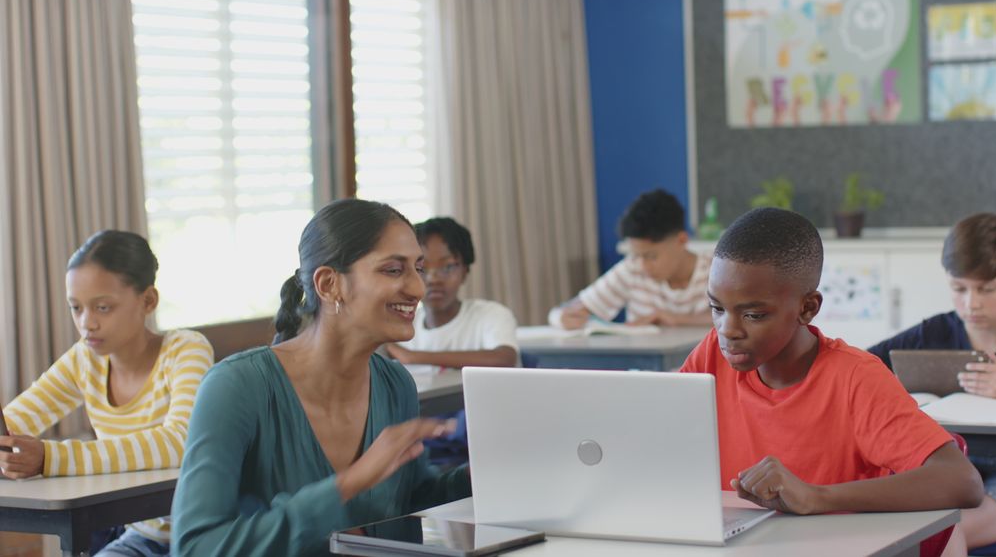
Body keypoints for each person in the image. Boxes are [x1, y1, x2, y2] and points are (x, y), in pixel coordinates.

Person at [170, 199, 470, 556]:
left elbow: (408, 499)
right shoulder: (236, 387)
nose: (418, 288)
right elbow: (194, 548)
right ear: (329, 285)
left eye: (417, 268)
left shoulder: (394, 383)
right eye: (393, 270)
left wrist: (479, 473)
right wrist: (347, 484)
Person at [680, 208, 982, 524]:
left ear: (807, 308)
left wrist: (817, 497)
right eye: (717, 308)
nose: (728, 330)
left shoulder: (855, 378)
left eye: (753, 315)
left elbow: (963, 482)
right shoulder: (713, 355)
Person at [867, 212, 996, 554]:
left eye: (987, 289)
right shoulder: (934, 331)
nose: (972, 303)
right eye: (959, 288)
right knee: (885, 525)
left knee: (943, 534)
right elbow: (861, 368)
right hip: (955, 468)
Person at [0, 230, 214, 556]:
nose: (87, 323)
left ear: (148, 301)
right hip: (146, 539)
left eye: (102, 308)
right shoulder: (84, 360)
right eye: (76, 308)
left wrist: (50, 457)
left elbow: (179, 442)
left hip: (210, 535)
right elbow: (13, 422)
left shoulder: (186, 350)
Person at [548, 189, 712, 329]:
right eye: (636, 255)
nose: (643, 266)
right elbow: (567, 310)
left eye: (651, 256)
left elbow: (734, 320)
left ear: (681, 240)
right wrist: (560, 318)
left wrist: (675, 319)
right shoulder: (632, 269)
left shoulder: (715, 271)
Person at [385, 217, 519, 369]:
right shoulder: (403, 324)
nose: (433, 279)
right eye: (421, 268)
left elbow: (503, 358)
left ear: (465, 271)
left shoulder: (490, 314)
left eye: (447, 267)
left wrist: (412, 356)